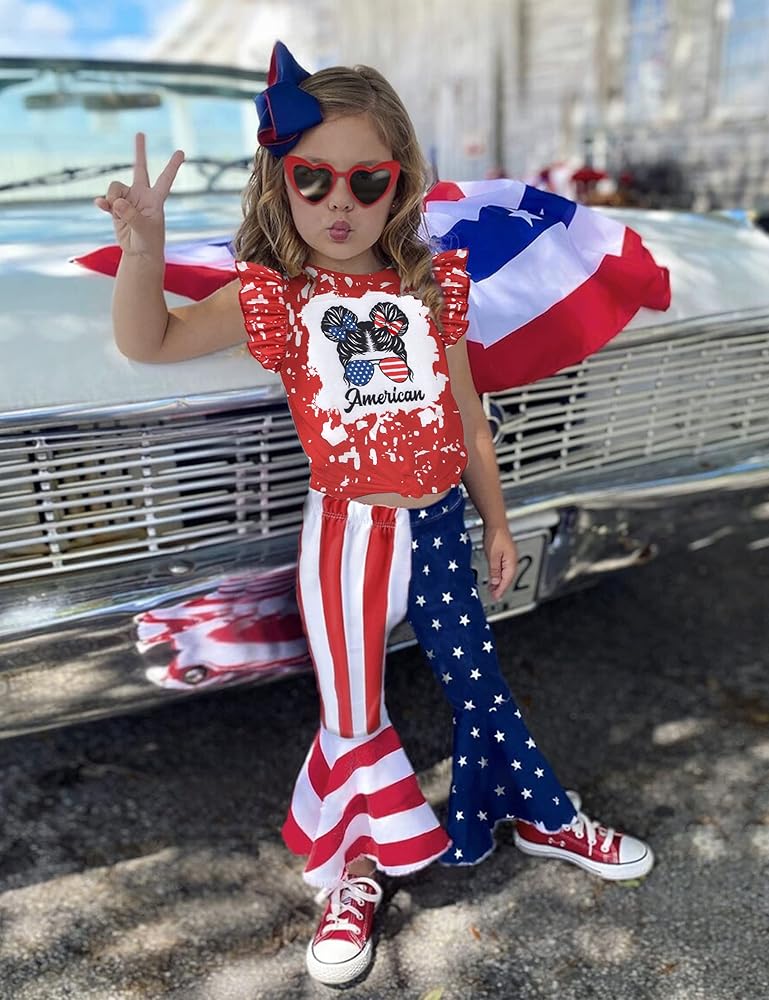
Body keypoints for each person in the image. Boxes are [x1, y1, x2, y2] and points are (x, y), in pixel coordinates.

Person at [97, 40, 654, 988]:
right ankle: (350, 873)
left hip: (438, 523)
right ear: (282, 182)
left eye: (366, 180)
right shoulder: (273, 293)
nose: (339, 203)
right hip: (349, 534)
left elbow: (467, 418)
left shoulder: (433, 285)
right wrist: (144, 248)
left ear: (399, 182)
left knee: (479, 682)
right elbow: (148, 342)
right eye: (312, 179)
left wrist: (497, 522)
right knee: (352, 708)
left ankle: (541, 814)